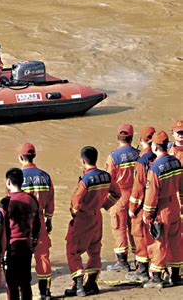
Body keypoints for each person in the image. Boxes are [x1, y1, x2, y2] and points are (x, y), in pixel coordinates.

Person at [65, 146, 121, 296]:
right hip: (97, 216)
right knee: (95, 250)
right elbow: (117, 193)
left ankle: (78, 286)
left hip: (84, 218)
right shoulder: (106, 176)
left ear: (83, 161)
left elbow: (76, 202)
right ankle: (91, 283)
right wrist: (104, 205)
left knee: (73, 250)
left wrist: (74, 213)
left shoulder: (86, 179)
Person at [142, 130, 182, 288]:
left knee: (158, 241)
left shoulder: (155, 168)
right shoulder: (176, 162)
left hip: (162, 208)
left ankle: (157, 278)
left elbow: (151, 195)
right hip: (175, 206)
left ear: (154, 146)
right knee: (176, 241)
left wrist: (147, 214)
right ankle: (176, 276)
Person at [17, 143, 54, 300]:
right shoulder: (45, 176)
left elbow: (11, 201)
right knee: (43, 256)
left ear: (20, 157)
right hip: (40, 220)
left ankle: (23, 293)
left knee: (21, 258)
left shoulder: (15, 177)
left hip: (22, 222)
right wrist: (49, 219)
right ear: (34, 156)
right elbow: (51, 200)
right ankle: (45, 293)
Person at [0, 168, 41, 300]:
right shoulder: (31, 198)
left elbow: (1, 228)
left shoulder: (5, 202)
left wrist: (0, 249)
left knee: (11, 283)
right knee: (25, 281)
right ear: (22, 181)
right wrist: (34, 243)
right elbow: (37, 223)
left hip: (11, 246)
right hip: (27, 245)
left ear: (8, 182)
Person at [106, 123, 140, 271]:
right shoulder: (139, 154)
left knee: (118, 227)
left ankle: (122, 262)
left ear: (117, 137)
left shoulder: (113, 156)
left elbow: (109, 179)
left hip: (119, 196)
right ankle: (140, 258)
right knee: (136, 228)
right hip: (136, 194)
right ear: (132, 137)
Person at [126, 126, 156, 282]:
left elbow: (138, 188)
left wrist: (132, 208)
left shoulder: (142, 160)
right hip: (158, 202)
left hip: (143, 204)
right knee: (154, 235)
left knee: (139, 235)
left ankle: (143, 270)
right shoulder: (160, 157)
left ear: (141, 140)